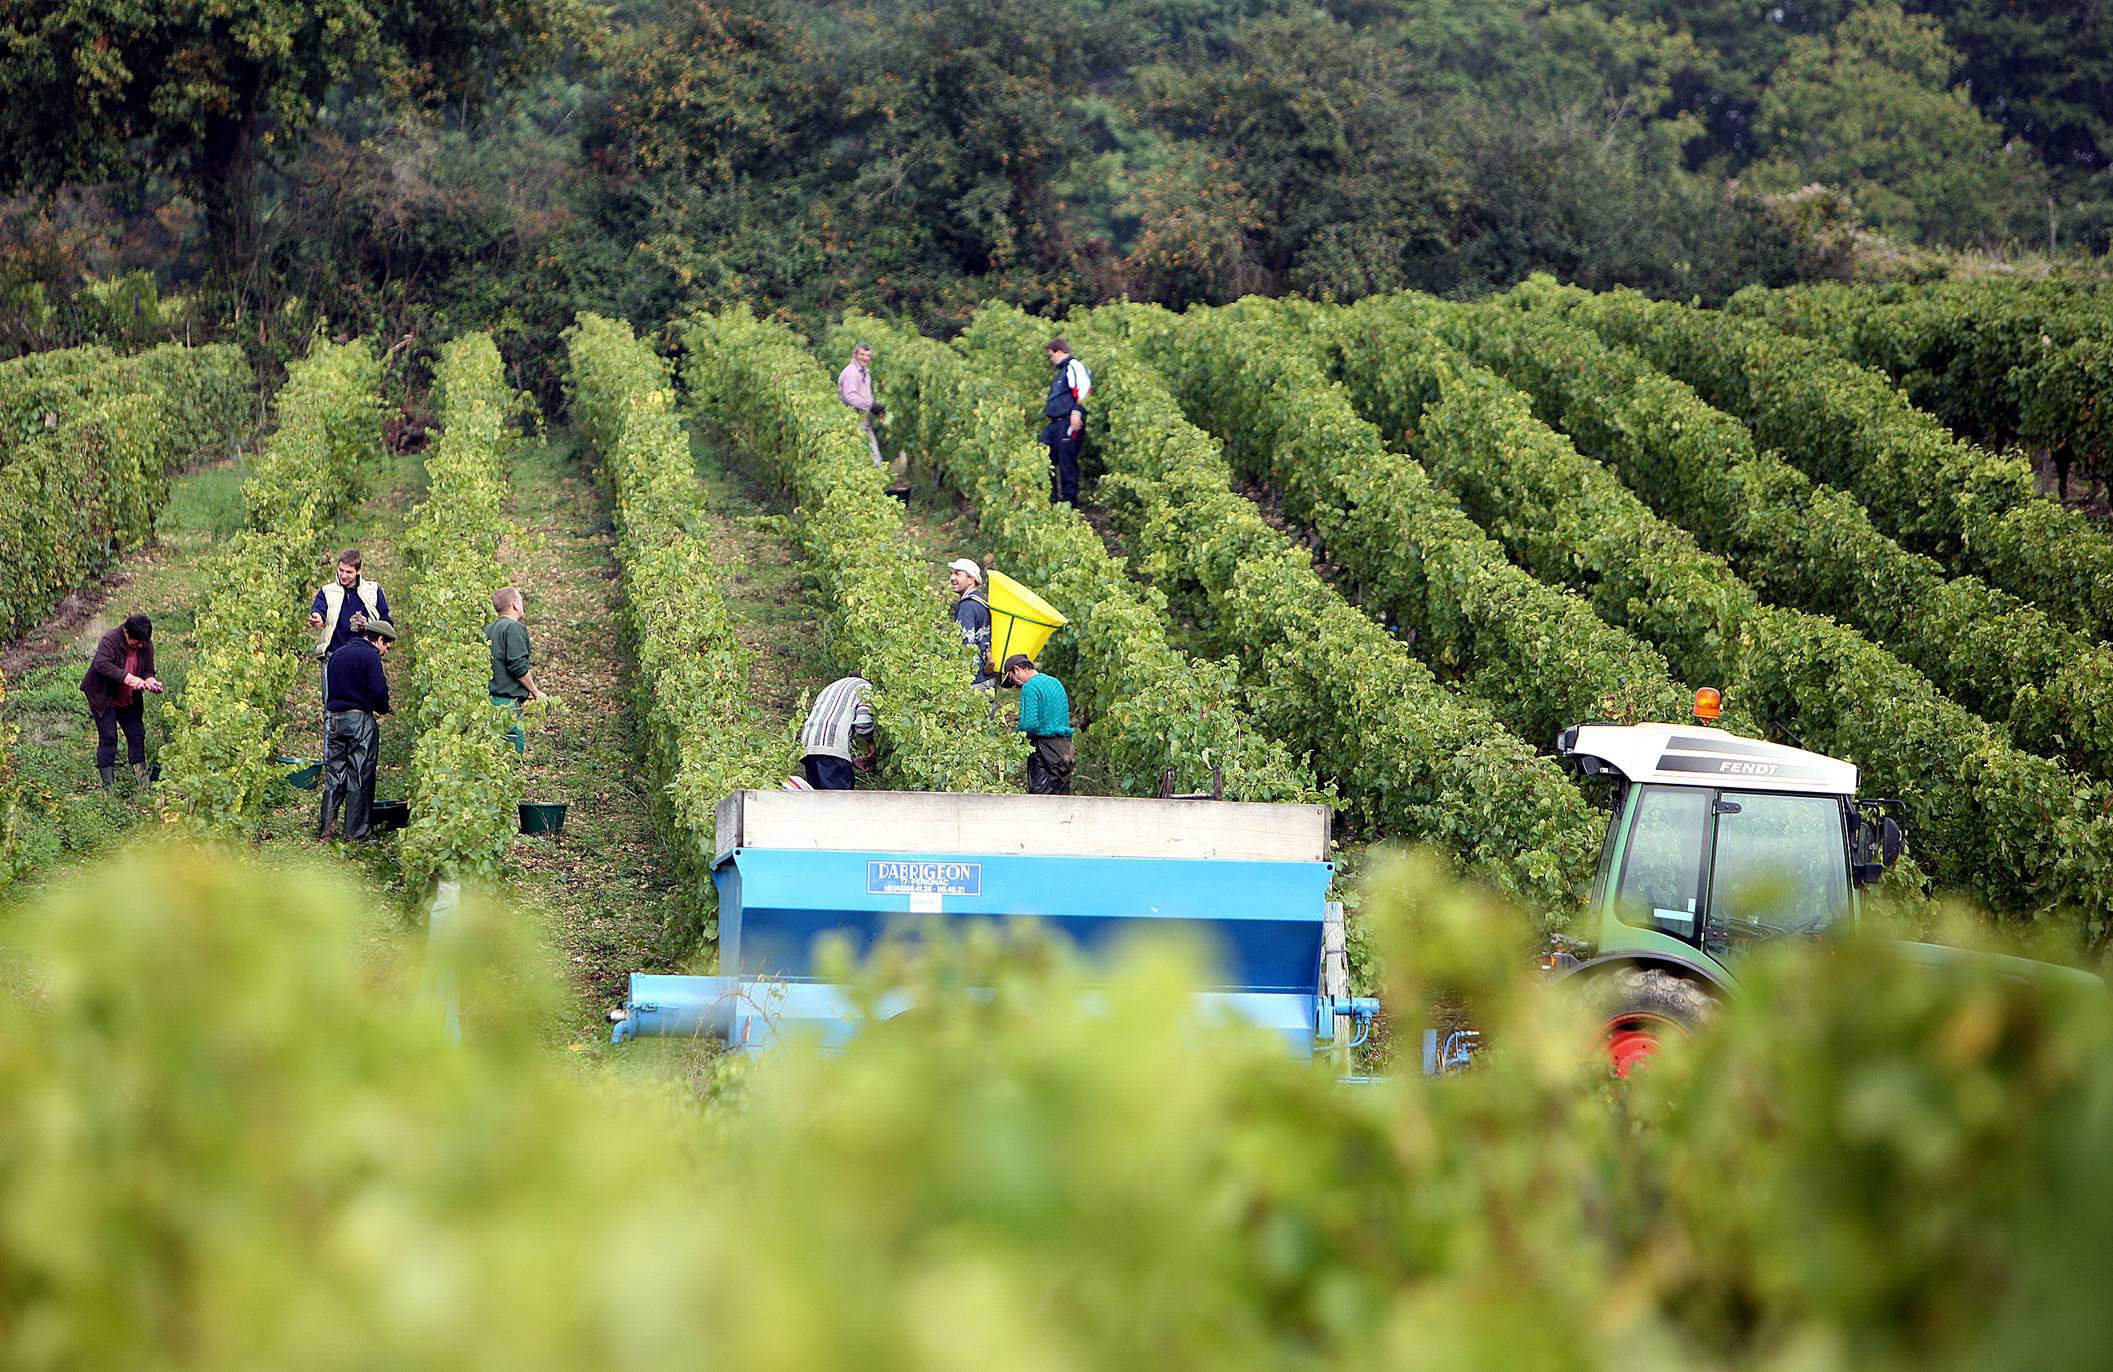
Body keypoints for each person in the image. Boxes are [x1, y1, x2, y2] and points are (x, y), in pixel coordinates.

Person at [318, 618, 396, 842]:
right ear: (379, 639)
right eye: (386, 646)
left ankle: (327, 831)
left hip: (334, 720)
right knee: (360, 777)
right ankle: (354, 834)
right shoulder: (370, 656)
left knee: (334, 776)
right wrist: (383, 708)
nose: (384, 652)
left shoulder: (337, 654)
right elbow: (378, 691)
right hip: (359, 721)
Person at [79, 614, 163, 793]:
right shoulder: (111, 639)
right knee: (109, 738)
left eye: (143, 643)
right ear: (126, 633)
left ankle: (142, 781)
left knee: (137, 734)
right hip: (104, 697)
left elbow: (148, 670)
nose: (140, 646)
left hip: (129, 699)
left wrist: (151, 681)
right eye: (136, 642)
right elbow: (101, 664)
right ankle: (108, 787)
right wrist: (129, 678)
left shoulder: (146, 646)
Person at [308, 549, 389, 695]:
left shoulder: (372, 591)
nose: (343, 575)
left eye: (348, 572)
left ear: (358, 571)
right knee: (331, 704)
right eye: (341, 570)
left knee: (361, 702)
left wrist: (369, 627)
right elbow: (318, 609)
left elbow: (386, 621)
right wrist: (317, 617)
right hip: (333, 655)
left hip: (362, 656)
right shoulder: (328, 591)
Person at [486, 586, 547, 754]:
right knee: (511, 752)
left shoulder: (488, 630)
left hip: (488, 702)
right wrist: (534, 691)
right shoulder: (513, 628)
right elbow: (518, 666)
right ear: (514, 605)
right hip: (506, 703)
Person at [1003, 653, 1075, 795]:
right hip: (1066, 749)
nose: (1016, 686)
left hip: (1044, 749)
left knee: (1040, 798)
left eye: (1012, 680)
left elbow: (1029, 724)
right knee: (1061, 798)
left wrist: (1017, 739)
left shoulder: (1030, 687)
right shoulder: (1055, 683)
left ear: (1017, 669)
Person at [799, 674, 877, 790]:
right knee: (838, 802)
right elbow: (863, 725)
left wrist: (849, 760)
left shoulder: (831, 687)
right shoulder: (865, 688)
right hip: (831, 744)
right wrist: (871, 745)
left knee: (818, 800)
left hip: (808, 745)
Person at [1040, 337, 1091, 505]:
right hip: (1055, 423)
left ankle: (1070, 504)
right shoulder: (1061, 372)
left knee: (1067, 463)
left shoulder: (1074, 365)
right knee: (1043, 455)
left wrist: (1077, 411)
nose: (1051, 360)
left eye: (1051, 355)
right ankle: (1052, 499)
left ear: (1059, 352)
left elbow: (1084, 388)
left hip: (1068, 421)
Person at [948, 558, 996, 689]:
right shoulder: (982, 601)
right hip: (987, 677)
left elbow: (965, 644)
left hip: (974, 679)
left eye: (958, 573)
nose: (952, 577)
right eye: (952, 573)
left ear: (971, 579)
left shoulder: (967, 607)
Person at [836, 341, 886, 468]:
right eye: (862, 355)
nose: (865, 358)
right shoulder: (851, 373)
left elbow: (865, 395)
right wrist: (871, 405)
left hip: (863, 421)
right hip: (853, 421)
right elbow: (850, 397)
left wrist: (874, 408)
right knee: (867, 458)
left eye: (868, 355)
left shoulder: (865, 372)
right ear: (854, 355)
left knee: (874, 458)